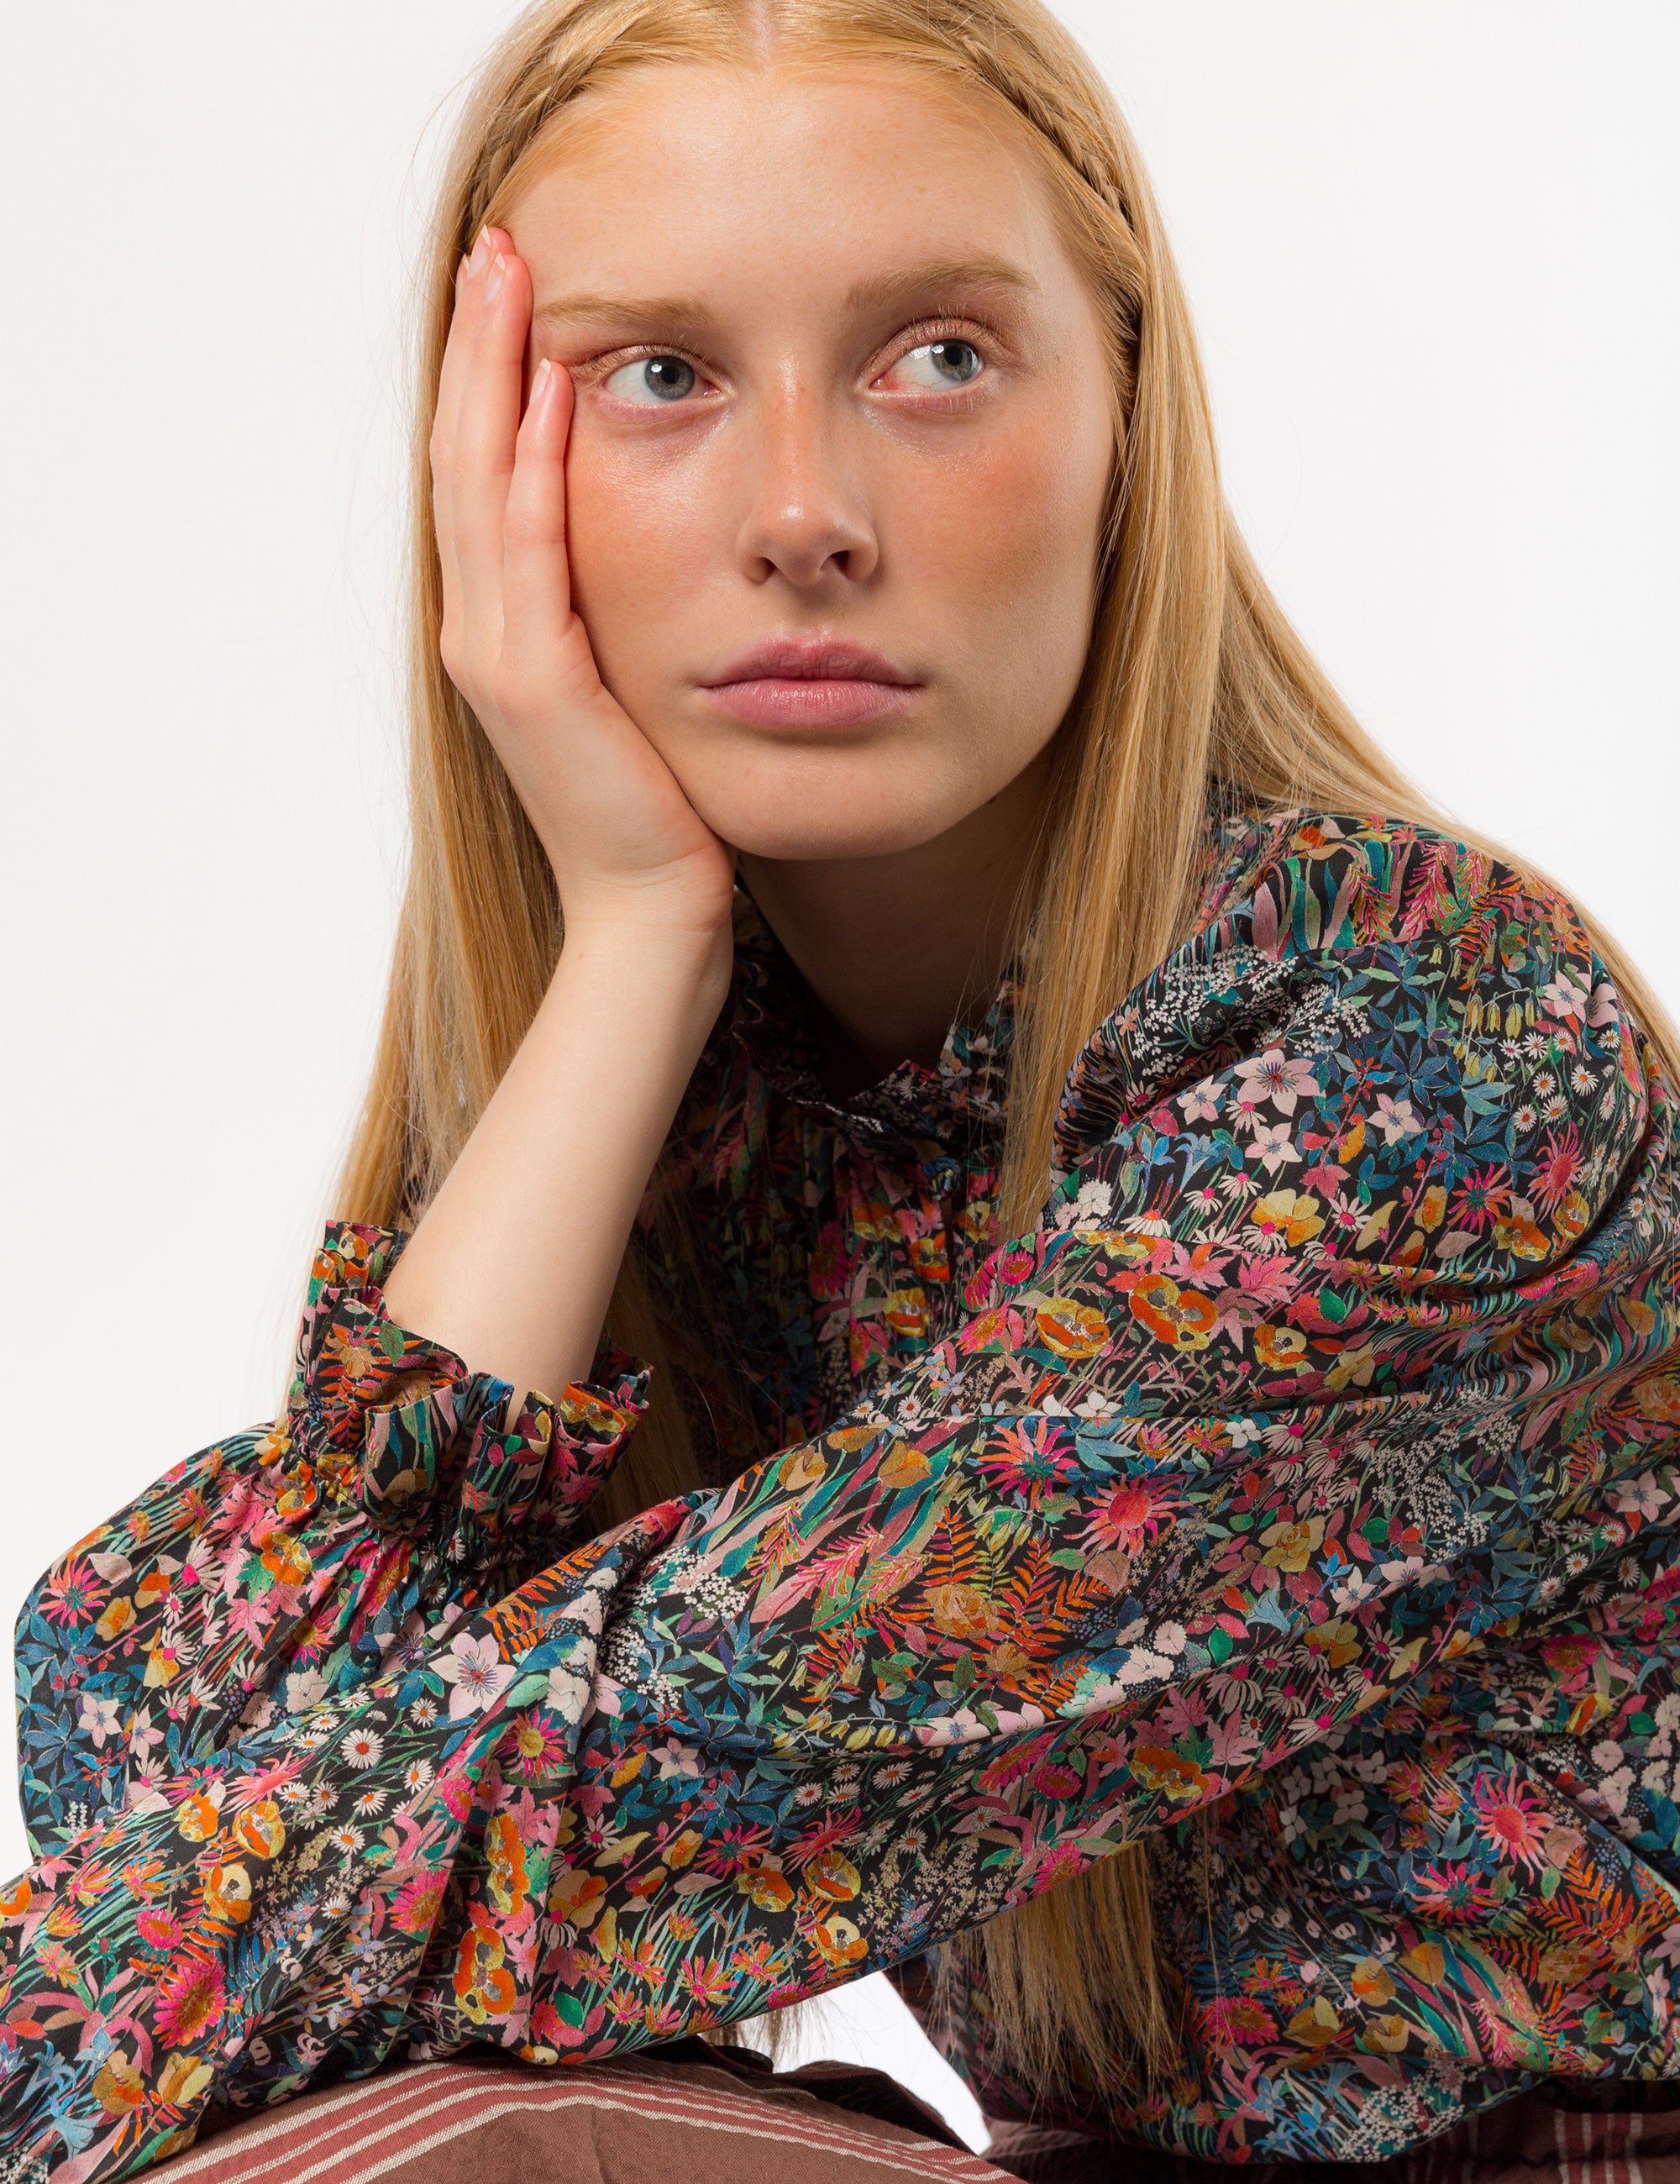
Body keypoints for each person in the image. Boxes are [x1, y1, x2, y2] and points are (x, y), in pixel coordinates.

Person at [5, 2, 1680, 2180]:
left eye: (940, 359)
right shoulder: (726, 1107)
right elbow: (154, 1750)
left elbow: (661, 1773)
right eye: (661, 378)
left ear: (1126, 425)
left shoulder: (1415, 1046)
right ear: (488, 469)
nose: (805, 512)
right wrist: (622, 957)